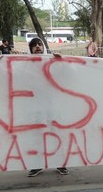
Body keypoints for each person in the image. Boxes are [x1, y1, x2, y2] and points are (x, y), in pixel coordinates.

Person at [26, 37, 70, 177]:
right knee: (37, 136)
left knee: (56, 133)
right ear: (30, 49)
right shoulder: (25, 64)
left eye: (40, 44)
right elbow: (7, 71)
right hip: (35, 106)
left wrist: (61, 61)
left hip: (52, 104)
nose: (38, 47)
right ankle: (37, 165)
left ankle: (60, 163)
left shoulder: (52, 61)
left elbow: (69, 73)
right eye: (34, 45)